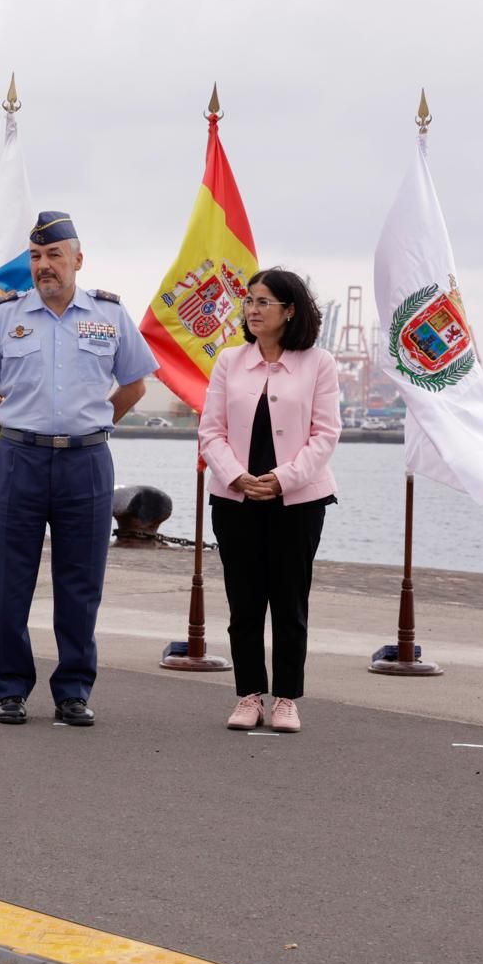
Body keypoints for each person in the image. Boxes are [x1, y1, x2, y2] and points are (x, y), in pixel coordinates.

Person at [0, 212, 159, 726]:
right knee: (7, 579)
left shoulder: (110, 316)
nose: (43, 266)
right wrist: (13, 432)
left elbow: (136, 383)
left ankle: (72, 689)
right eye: (35, 256)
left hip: (86, 462)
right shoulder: (5, 317)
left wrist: (94, 425)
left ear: (77, 259)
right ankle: (9, 687)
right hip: (17, 460)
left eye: (53, 255)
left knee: (80, 582)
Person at [196, 267, 340, 734]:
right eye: (249, 301)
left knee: (289, 602)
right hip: (235, 499)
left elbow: (325, 435)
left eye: (264, 302)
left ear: (290, 310)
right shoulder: (229, 361)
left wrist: (281, 480)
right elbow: (210, 430)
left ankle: (287, 699)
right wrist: (237, 476)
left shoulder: (319, 364)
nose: (253, 310)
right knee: (244, 601)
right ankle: (249, 695)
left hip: (297, 502)